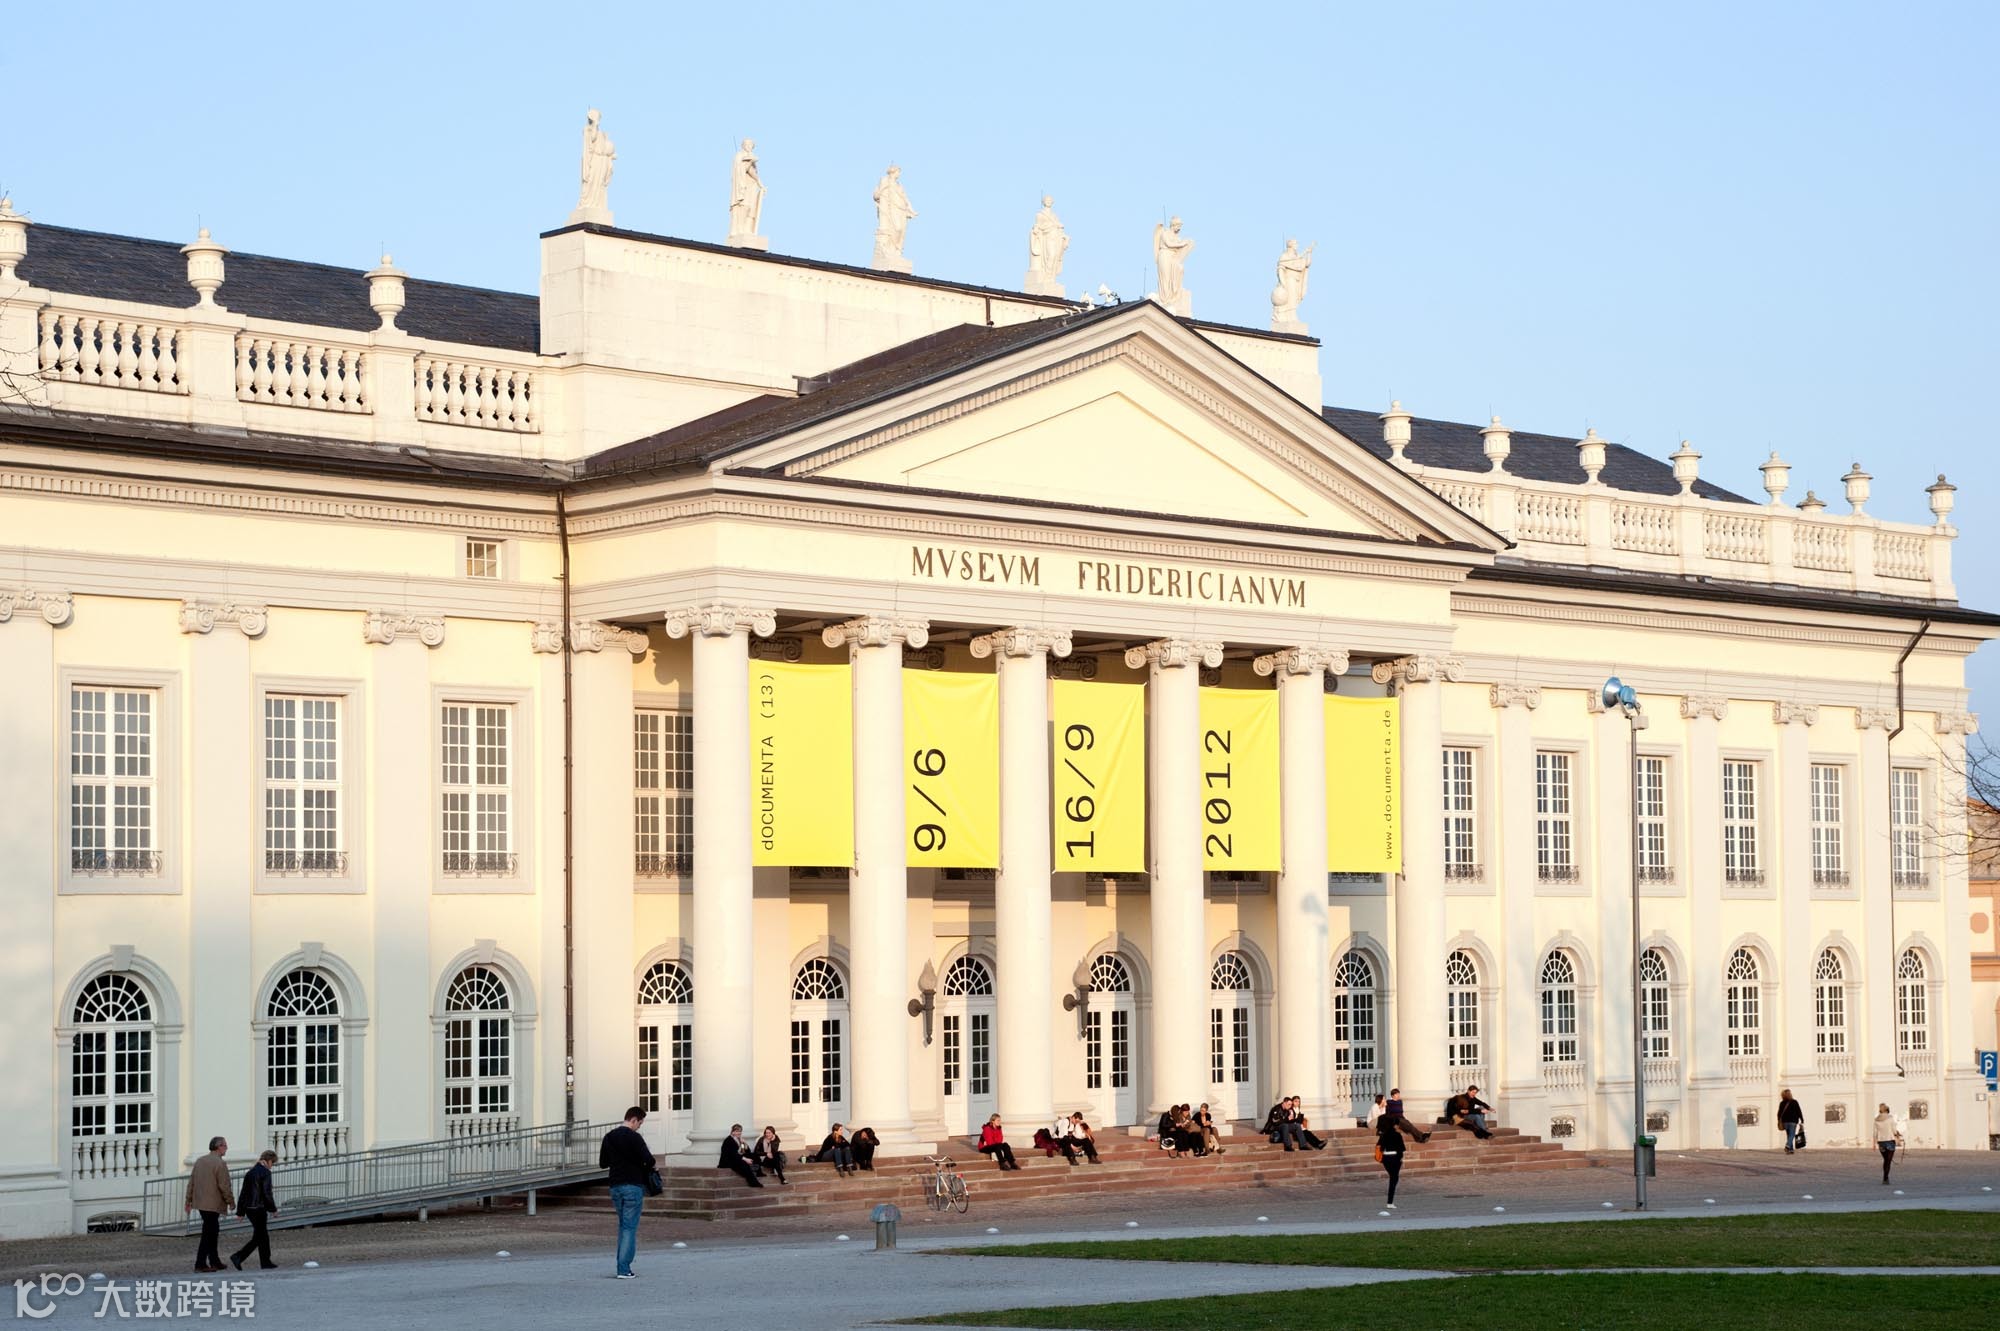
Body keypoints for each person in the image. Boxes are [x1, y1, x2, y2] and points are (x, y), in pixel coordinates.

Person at [600, 1107, 654, 1277]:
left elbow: (603, 1163)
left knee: (623, 1225)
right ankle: (624, 1268)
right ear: (634, 1120)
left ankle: (621, 1265)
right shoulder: (635, 1137)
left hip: (615, 1185)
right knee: (629, 1227)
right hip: (632, 1184)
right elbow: (649, 1160)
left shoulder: (609, 1136)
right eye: (640, 1123)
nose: (639, 1127)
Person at [184, 1136, 232, 1273]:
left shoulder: (200, 1161)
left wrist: (188, 1200)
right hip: (213, 1204)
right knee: (209, 1234)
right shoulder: (220, 1163)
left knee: (212, 1232)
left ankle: (214, 1261)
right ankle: (200, 1263)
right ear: (219, 1147)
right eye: (225, 1145)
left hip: (201, 1203)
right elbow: (224, 1186)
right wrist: (231, 1201)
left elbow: (191, 1182)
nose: (226, 1148)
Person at [228, 1149, 280, 1271]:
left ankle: (264, 1261)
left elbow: (243, 1193)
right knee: (261, 1236)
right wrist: (273, 1209)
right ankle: (239, 1256)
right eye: (273, 1163)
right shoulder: (265, 1173)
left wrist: (240, 1212)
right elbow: (267, 1193)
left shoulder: (250, 1172)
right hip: (259, 1208)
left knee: (262, 1235)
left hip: (249, 1209)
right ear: (268, 1160)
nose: (272, 1166)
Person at [719, 1123, 764, 1188]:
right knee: (744, 1164)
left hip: (737, 1157)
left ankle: (759, 1172)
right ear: (732, 1132)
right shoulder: (728, 1140)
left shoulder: (738, 1139)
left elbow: (744, 1151)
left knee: (755, 1155)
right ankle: (753, 1183)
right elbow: (733, 1154)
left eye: (740, 1131)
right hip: (728, 1160)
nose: (739, 1133)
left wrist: (744, 1143)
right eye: (737, 1131)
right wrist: (746, 1159)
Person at [1376, 1110, 1406, 1206]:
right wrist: (1400, 1158)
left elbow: (1380, 1147)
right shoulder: (1397, 1135)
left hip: (1386, 1158)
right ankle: (1390, 1202)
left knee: (1393, 1178)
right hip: (1395, 1157)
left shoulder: (1383, 1135)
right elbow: (1401, 1149)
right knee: (1394, 1178)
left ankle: (1390, 1201)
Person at [1874, 1104, 1904, 1184]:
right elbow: (1894, 1130)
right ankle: (1885, 1178)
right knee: (1888, 1161)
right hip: (1889, 1140)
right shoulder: (1890, 1118)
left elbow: (1875, 1132)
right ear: (1887, 1110)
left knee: (1886, 1160)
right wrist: (1897, 1134)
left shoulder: (1876, 1119)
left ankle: (1885, 1178)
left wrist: (1875, 1142)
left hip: (1881, 1142)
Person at [1777, 1089, 1805, 1153]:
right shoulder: (1794, 1102)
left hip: (1785, 1122)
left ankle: (1790, 1150)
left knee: (1789, 1135)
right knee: (1792, 1135)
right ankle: (1788, 1145)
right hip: (1793, 1121)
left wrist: (1779, 1120)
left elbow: (1779, 1113)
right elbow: (1799, 1111)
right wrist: (1802, 1119)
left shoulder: (1782, 1103)